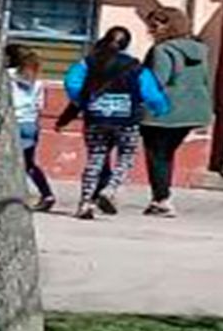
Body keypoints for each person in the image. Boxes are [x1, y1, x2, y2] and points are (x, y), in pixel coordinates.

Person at [61, 26, 170, 220]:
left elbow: (72, 82)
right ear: (126, 44)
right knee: (126, 157)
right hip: (127, 120)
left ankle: (85, 202)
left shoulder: (88, 63)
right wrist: (160, 108)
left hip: (95, 118)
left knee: (95, 158)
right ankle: (110, 189)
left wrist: (83, 101)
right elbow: (150, 93)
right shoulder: (136, 67)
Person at [140, 8, 213, 218]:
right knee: (166, 154)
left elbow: (158, 81)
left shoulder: (162, 50)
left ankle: (161, 200)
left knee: (157, 155)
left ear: (167, 25)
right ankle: (161, 198)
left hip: (163, 112)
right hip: (193, 110)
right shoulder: (200, 49)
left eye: (154, 25)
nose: (150, 30)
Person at [7, 43, 55, 212]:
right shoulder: (37, 81)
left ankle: (9, 195)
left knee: (6, 160)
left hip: (12, 121)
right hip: (30, 123)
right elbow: (39, 105)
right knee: (29, 163)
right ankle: (46, 193)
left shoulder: (7, 75)